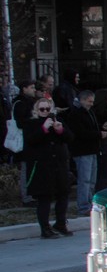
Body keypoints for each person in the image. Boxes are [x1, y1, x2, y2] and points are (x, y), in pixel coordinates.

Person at [23, 98, 74, 238]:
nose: (45, 112)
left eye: (47, 109)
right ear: (36, 110)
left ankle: (61, 223)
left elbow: (70, 138)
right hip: (42, 167)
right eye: (42, 109)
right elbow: (30, 140)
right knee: (45, 198)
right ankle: (45, 228)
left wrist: (60, 130)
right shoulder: (31, 123)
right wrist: (43, 128)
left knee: (63, 195)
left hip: (59, 165)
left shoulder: (58, 121)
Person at [66, 90, 102, 215]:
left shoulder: (89, 112)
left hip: (92, 149)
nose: (91, 104)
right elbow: (80, 133)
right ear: (82, 100)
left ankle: (89, 202)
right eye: (89, 101)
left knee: (91, 180)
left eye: (92, 101)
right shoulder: (75, 114)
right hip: (82, 151)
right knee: (85, 179)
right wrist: (98, 134)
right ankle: (83, 206)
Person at [12, 80, 37, 204]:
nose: (34, 90)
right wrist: (33, 119)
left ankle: (31, 193)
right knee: (26, 169)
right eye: (31, 87)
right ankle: (26, 196)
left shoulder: (29, 102)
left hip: (30, 140)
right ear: (24, 89)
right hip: (24, 141)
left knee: (30, 168)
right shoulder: (21, 103)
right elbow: (20, 122)